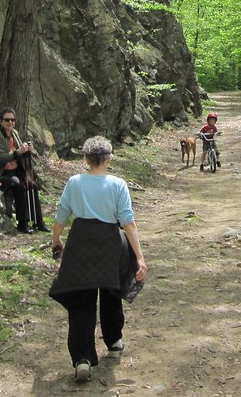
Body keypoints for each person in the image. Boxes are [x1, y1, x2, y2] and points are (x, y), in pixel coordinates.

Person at [49, 136, 148, 382]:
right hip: (109, 244)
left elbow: (62, 215)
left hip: (80, 243)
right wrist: (139, 256)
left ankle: (82, 359)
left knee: (81, 300)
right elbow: (127, 222)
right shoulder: (117, 184)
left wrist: (56, 240)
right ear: (108, 158)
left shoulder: (74, 182)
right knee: (111, 293)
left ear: (85, 159)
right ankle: (113, 342)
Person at [0, 107, 50, 234]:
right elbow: (0, 158)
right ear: (0, 121)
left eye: (12, 120)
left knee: (32, 186)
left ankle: (38, 221)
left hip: (15, 170)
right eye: (7, 120)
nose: (10, 122)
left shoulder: (14, 133)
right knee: (19, 185)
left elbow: (20, 154)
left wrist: (28, 150)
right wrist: (18, 152)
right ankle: (23, 223)